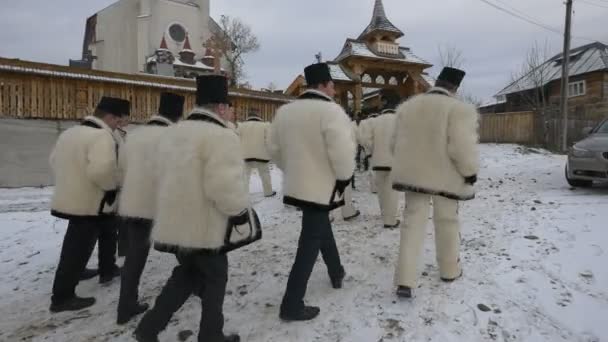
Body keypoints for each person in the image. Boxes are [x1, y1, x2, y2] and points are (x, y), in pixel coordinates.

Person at [135, 75, 261, 342]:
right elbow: (223, 185)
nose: (231, 112)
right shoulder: (221, 136)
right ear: (221, 108)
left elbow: (156, 175)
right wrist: (239, 214)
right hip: (204, 226)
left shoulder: (171, 133)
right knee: (215, 277)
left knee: (187, 275)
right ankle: (211, 336)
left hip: (174, 222)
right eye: (229, 107)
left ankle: (148, 329)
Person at [270, 63, 355, 321]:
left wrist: (293, 170)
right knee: (309, 244)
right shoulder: (331, 111)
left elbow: (273, 150)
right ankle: (291, 303)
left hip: (299, 185)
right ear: (323, 85)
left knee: (319, 229)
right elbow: (342, 152)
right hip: (323, 187)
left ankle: (336, 271)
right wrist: (344, 178)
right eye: (332, 84)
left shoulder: (285, 112)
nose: (334, 89)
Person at [391, 67, 480, 298]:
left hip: (413, 177)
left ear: (436, 83)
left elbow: (394, 144)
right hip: (446, 178)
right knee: (447, 222)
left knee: (412, 225)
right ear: (455, 88)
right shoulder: (459, 109)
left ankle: (405, 280)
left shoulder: (408, 107)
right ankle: (450, 270)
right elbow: (461, 147)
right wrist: (469, 172)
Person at [49, 97, 129, 313]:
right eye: (119, 120)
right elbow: (101, 171)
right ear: (110, 117)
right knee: (77, 248)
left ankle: (107, 269)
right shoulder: (101, 136)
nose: (119, 125)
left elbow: (54, 160)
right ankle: (62, 298)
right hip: (91, 202)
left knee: (107, 231)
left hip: (74, 198)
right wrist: (112, 188)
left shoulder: (71, 132)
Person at [116, 92, 185, 325]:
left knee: (135, 257)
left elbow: (122, 168)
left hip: (135, 204)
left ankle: (125, 305)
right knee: (186, 251)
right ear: (179, 115)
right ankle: (198, 286)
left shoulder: (135, 135)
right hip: (162, 204)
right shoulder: (174, 136)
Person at [370, 106, 401, 229]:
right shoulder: (398, 121)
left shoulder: (375, 121)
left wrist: (373, 149)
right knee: (392, 192)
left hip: (377, 161)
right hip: (393, 161)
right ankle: (390, 220)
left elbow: (364, 138)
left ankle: (384, 215)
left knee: (381, 191)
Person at [237, 111, 276, 197]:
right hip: (262, 155)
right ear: (259, 117)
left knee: (245, 175)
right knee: (265, 174)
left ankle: (243, 193)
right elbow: (269, 140)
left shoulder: (241, 126)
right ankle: (268, 192)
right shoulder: (265, 126)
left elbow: (237, 140)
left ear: (249, 117)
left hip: (245, 155)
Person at [359, 113, 379, 193]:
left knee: (372, 168)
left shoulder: (365, 123)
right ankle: (379, 186)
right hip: (381, 149)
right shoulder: (379, 122)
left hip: (370, 148)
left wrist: (367, 149)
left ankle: (374, 188)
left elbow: (363, 138)